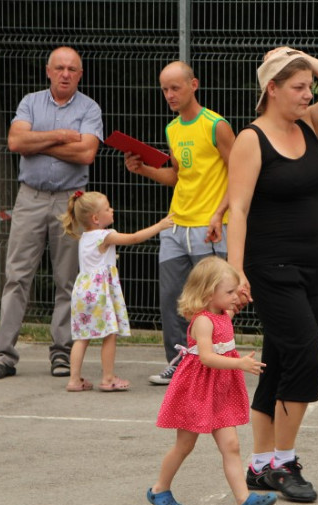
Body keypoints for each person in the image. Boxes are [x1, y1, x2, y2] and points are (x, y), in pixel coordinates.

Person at [227, 47, 318, 502]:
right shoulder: (251, 139)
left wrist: (302, 57)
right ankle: (283, 463)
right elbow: (238, 209)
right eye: (299, 87)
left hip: (314, 265)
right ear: (273, 89)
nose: (309, 94)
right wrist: (235, 270)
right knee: (306, 356)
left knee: (280, 360)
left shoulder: (309, 125)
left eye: (310, 87)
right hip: (271, 267)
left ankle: (260, 464)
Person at [0, 46, 104, 380]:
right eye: (59, 68)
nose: (65, 74)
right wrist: (62, 136)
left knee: (67, 280)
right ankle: (3, 356)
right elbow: (16, 143)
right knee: (16, 277)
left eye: (72, 69)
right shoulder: (30, 102)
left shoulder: (89, 108)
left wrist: (38, 142)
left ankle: (62, 353)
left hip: (71, 202)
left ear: (80, 75)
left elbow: (87, 153)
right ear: (48, 71)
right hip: (30, 198)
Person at [124, 61, 235, 385]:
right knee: (172, 299)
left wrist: (219, 213)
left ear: (193, 85)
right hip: (175, 225)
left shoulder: (216, 125)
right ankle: (178, 365)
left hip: (209, 227)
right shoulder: (172, 129)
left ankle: (219, 365)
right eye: (165, 89)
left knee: (212, 302)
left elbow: (239, 173)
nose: (170, 94)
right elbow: (177, 176)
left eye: (175, 87)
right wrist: (143, 169)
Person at [147, 256, 277, 505]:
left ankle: (244, 500)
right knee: (184, 445)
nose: (234, 297)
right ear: (208, 293)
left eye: (234, 291)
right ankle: (160, 488)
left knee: (232, 445)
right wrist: (239, 363)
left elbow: (233, 306)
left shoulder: (223, 313)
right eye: (229, 292)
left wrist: (241, 294)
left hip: (220, 391)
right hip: (198, 390)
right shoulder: (203, 321)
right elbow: (206, 358)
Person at [60, 190, 174, 392]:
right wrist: (160, 225)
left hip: (82, 292)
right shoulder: (104, 235)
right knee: (109, 334)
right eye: (107, 208)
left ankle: (74, 380)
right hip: (99, 293)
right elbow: (134, 238)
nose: (111, 210)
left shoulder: (85, 237)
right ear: (95, 218)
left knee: (82, 336)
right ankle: (108, 378)